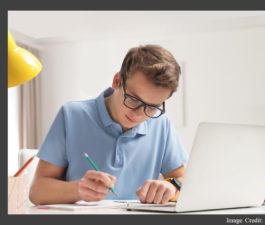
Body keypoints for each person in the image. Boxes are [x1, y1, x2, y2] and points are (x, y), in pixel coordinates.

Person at [29, 44, 188, 205]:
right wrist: (78, 189)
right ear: (117, 81)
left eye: (152, 107)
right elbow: (37, 191)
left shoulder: (161, 123)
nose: (139, 114)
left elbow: (185, 180)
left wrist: (171, 187)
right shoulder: (71, 115)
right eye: (133, 99)